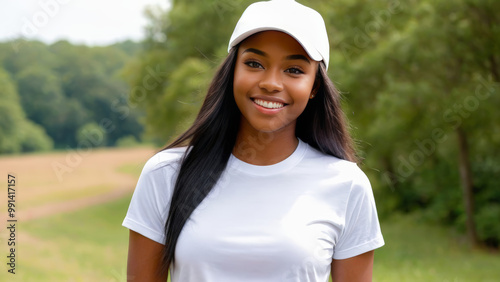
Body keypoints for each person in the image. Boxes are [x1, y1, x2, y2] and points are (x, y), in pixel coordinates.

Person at [123, 0, 384, 281]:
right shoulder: (166, 174)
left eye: (294, 70)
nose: (271, 83)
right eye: (254, 63)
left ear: (314, 87)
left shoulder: (346, 185)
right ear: (232, 71)